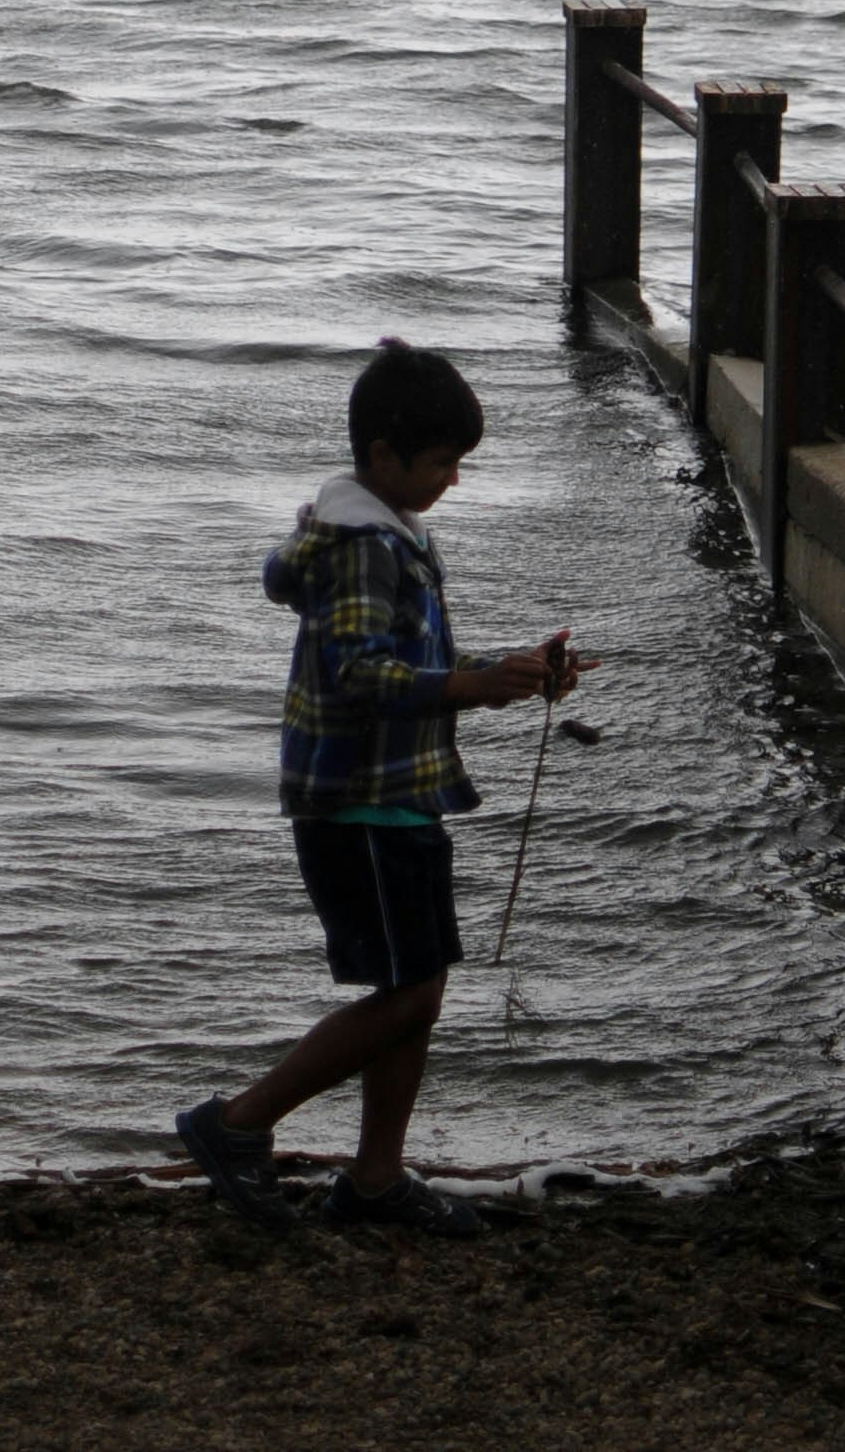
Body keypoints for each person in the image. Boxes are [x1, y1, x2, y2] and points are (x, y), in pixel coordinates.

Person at [172, 335, 579, 1239]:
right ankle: (236, 1124)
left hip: (396, 796)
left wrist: (504, 674)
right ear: (384, 457)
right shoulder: (363, 545)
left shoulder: (388, 531)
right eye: (442, 464)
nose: (453, 482)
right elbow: (362, 675)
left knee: (418, 986)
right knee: (406, 993)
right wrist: (466, 686)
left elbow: (414, 663)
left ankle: (375, 1180)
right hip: (358, 802)